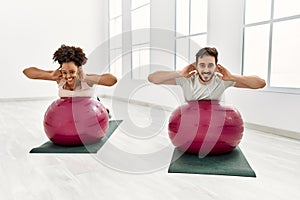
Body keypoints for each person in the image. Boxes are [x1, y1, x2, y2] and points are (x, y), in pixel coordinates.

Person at [23, 45, 117, 115]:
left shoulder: (87, 80)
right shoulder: (60, 79)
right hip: (71, 114)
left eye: (72, 72)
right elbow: (27, 72)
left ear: (79, 69)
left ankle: (105, 111)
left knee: (103, 112)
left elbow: (113, 80)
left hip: (92, 112)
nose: (68, 76)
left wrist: (86, 78)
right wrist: (51, 75)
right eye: (64, 72)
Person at [148, 47, 266, 101]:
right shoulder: (187, 80)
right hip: (191, 125)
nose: (206, 70)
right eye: (202, 65)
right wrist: (179, 73)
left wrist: (232, 77)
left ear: (216, 66)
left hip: (214, 127)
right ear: (196, 66)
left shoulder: (222, 81)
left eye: (210, 65)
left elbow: (260, 84)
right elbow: (153, 78)